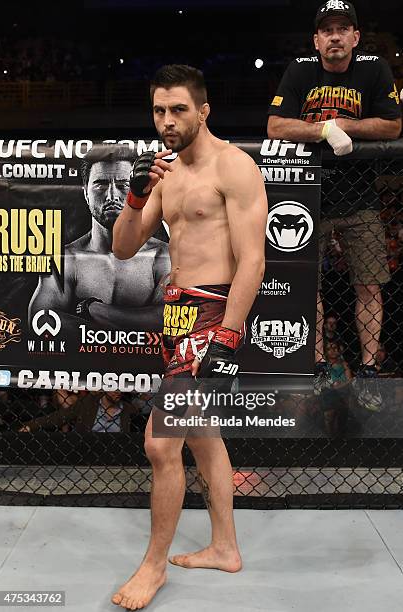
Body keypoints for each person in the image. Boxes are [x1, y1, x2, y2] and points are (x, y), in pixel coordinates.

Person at [111, 64, 267, 610]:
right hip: (176, 315)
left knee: (161, 442)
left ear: (203, 110)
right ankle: (224, 547)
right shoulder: (166, 174)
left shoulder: (235, 166)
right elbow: (124, 248)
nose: (167, 120)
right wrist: (136, 195)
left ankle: (153, 569)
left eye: (178, 109)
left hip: (212, 313)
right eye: (159, 110)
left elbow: (254, 259)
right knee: (200, 435)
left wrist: (229, 330)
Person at [267, 0, 402, 412]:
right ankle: (320, 365)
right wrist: (323, 128)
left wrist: (346, 125)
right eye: (328, 30)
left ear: (356, 37)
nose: (336, 36)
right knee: (309, 288)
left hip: (360, 194)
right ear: (317, 39)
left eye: (344, 29)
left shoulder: (373, 69)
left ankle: (367, 372)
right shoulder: (301, 69)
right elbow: (275, 126)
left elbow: (393, 124)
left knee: (369, 285)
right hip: (310, 195)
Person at [28, 148, 170, 332]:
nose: (111, 196)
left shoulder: (163, 256)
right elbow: (41, 320)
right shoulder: (65, 259)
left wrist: (91, 309)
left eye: (123, 185)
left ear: (139, 189)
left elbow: (167, 320)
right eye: (101, 185)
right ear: (85, 192)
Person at [18, 391, 140, 433]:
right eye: (114, 386)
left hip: (116, 458)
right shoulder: (89, 403)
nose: (117, 391)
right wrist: (31, 425)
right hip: (86, 452)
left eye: (120, 387)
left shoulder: (128, 410)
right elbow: (60, 417)